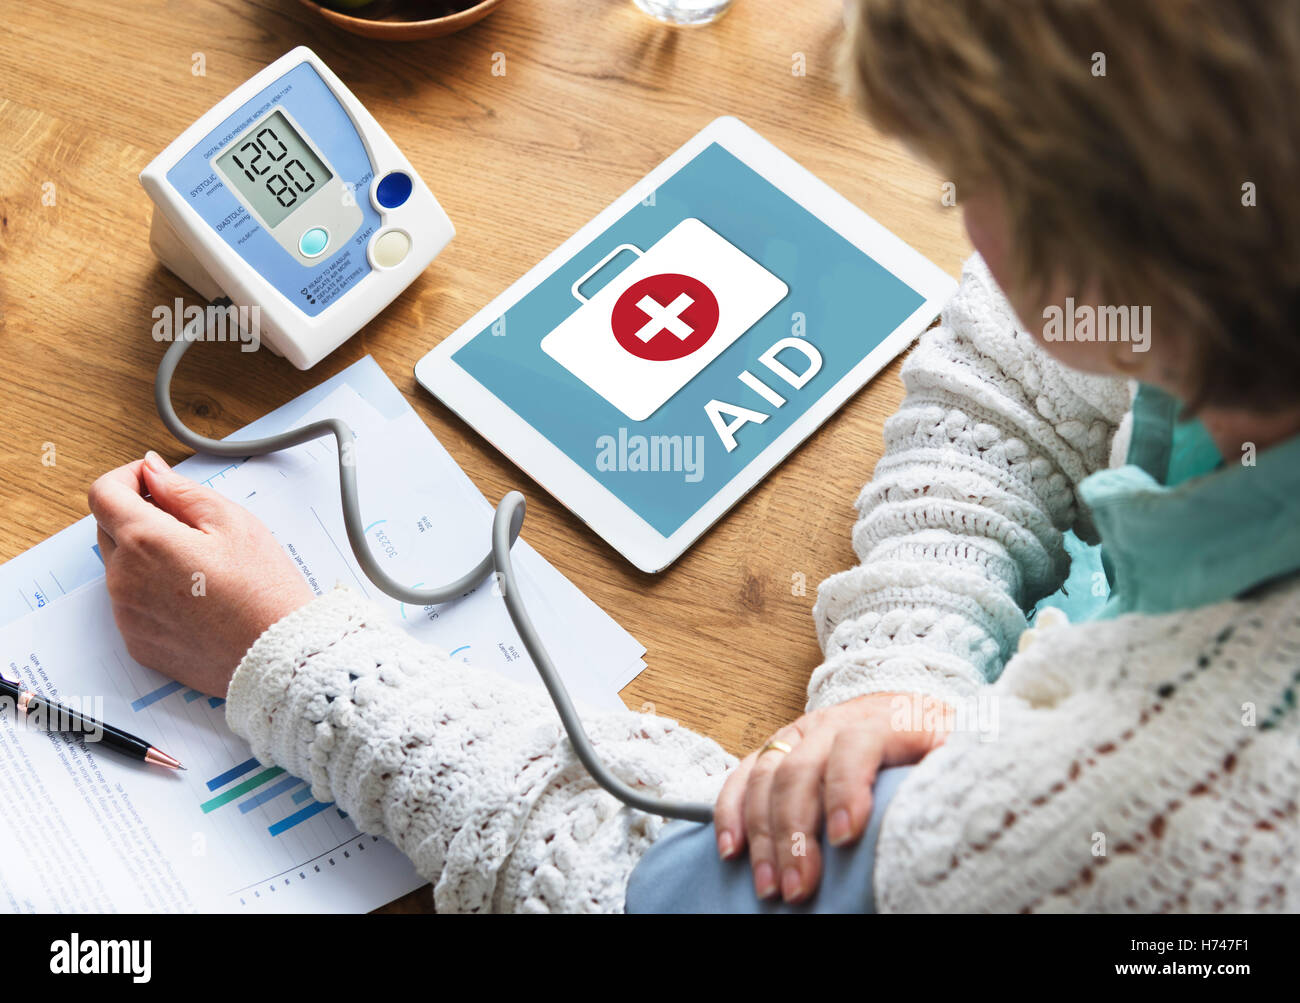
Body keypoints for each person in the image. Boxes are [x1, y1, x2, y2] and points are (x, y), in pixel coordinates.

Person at [90, 0, 1300, 912]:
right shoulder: (1221, 248)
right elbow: (1020, 363)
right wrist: (900, 679)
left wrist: (291, 659)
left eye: (968, 179)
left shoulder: (1167, 815)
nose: (966, 224)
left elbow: (662, 891)